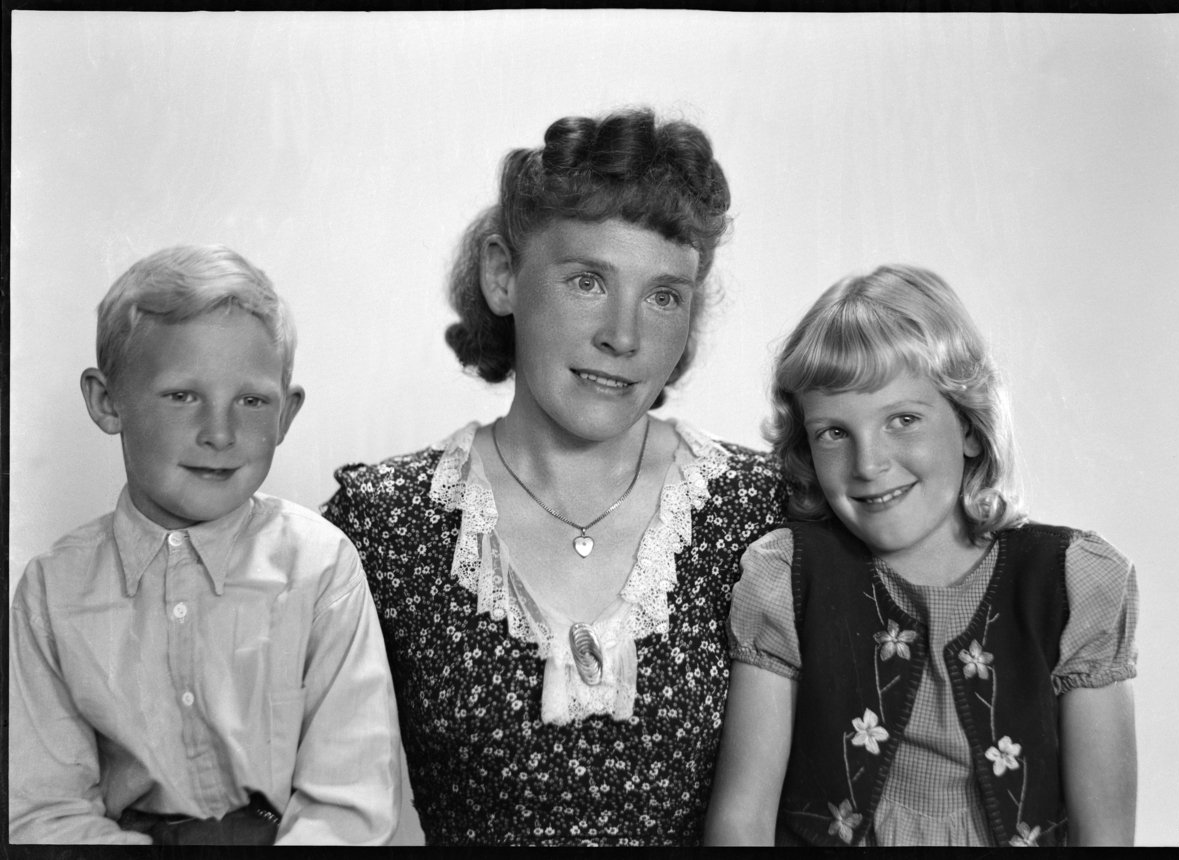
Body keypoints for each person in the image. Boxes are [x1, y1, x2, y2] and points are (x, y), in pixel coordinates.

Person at [321, 108, 791, 845]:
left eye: (664, 295)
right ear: (503, 275)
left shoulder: (759, 511)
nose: (624, 336)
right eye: (587, 281)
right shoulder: (386, 524)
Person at [703, 265, 1138, 847]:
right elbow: (742, 821)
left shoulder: (1069, 582)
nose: (868, 464)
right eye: (834, 432)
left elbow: (1105, 836)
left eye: (903, 420)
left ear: (970, 426)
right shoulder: (788, 576)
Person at [9, 245, 402, 845]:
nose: (220, 434)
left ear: (286, 415)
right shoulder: (52, 590)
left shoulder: (321, 568)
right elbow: (44, 811)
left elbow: (349, 801)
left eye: (252, 401)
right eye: (182, 396)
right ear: (106, 401)